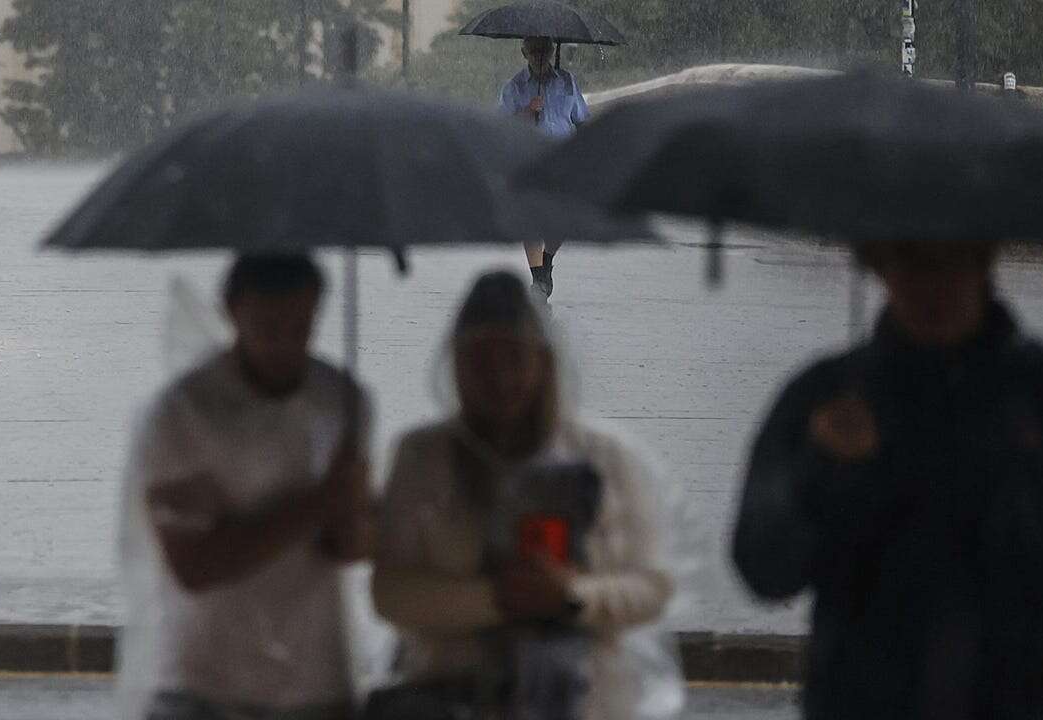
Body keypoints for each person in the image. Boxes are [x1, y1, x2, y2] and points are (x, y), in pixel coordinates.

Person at [733, 241, 1043, 720]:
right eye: (910, 262)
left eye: (948, 261)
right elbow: (764, 568)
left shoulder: (1040, 399)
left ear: (983, 260)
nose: (931, 286)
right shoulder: (826, 396)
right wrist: (826, 467)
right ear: (878, 266)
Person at [372, 271, 673, 720]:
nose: (499, 378)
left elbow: (650, 586)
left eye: (514, 357)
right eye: (479, 360)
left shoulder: (604, 458)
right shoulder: (423, 458)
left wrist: (573, 595)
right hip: (449, 698)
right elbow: (392, 591)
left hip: (586, 701)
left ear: (544, 363)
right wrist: (498, 598)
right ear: (455, 366)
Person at [126, 254, 375, 720]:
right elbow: (195, 565)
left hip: (318, 676)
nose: (284, 344)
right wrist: (321, 502)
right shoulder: (182, 414)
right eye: (268, 328)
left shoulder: (343, 401)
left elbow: (350, 547)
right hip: (208, 679)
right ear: (231, 311)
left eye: (299, 327)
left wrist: (356, 515)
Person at [499, 37, 592, 300]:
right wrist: (528, 111)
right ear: (524, 53)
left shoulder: (567, 82)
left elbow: (582, 118)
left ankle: (546, 260)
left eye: (544, 50)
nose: (540, 56)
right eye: (534, 51)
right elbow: (502, 125)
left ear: (552, 51)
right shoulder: (514, 87)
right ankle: (538, 276)